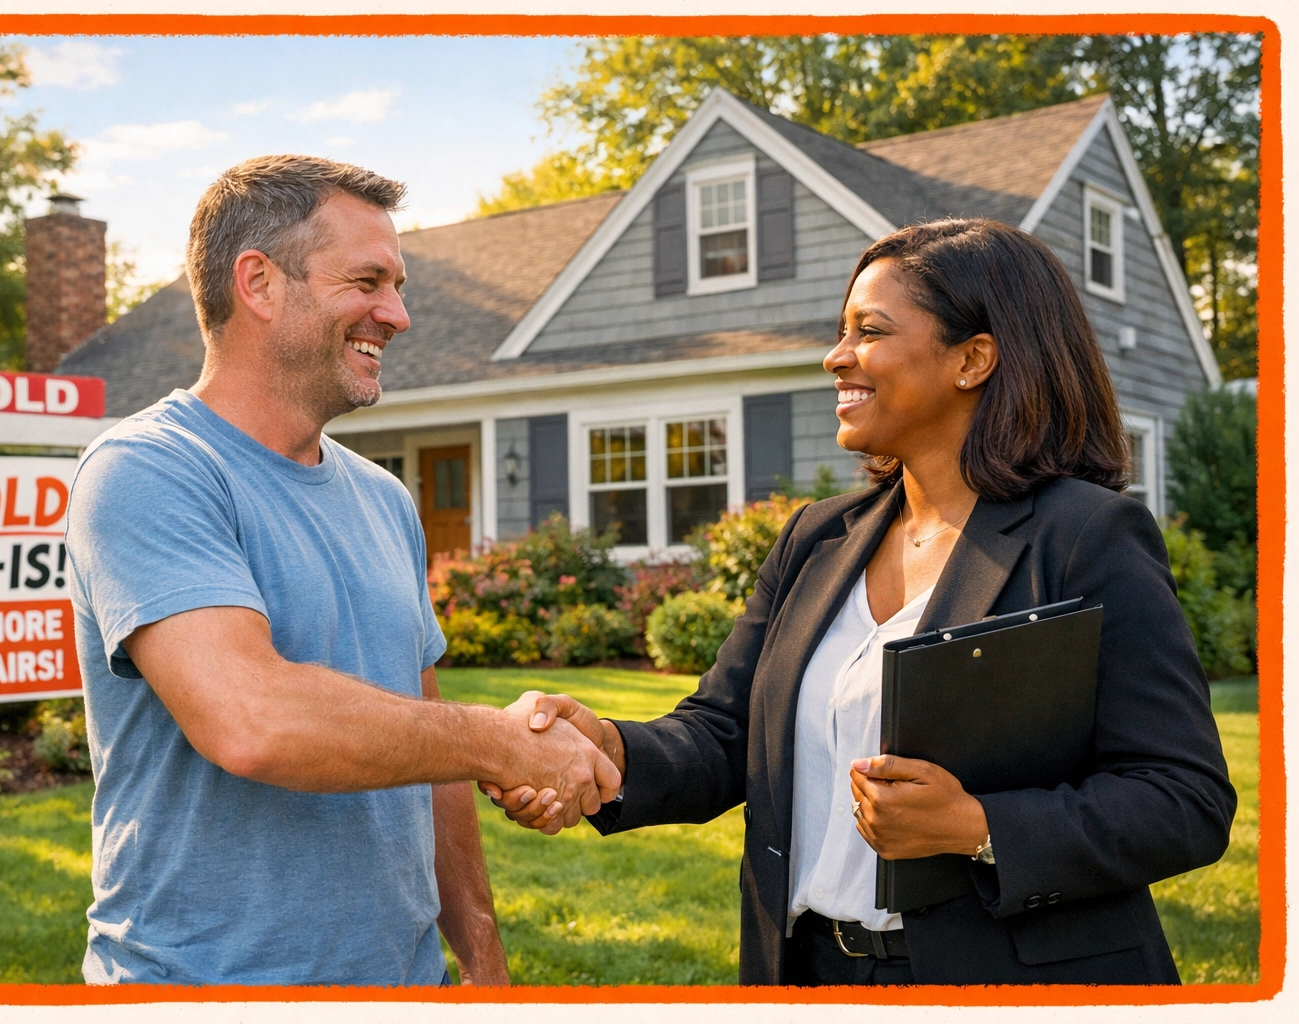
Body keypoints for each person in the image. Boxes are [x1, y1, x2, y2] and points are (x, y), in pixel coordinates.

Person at [486, 218, 1236, 985]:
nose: (835, 356)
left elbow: (1185, 799)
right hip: (807, 973)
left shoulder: (1086, 537)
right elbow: (724, 733)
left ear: (973, 359)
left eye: (868, 331)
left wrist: (978, 828)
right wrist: (607, 747)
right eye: (840, 330)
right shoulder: (817, 539)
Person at [66, 155, 619, 986]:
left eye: (395, 286)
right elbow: (250, 718)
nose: (395, 314)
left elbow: (426, 750)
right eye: (367, 281)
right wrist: (500, 744)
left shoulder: (386, 500)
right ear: (258, 282)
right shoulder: (148, 470)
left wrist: (481, 955)